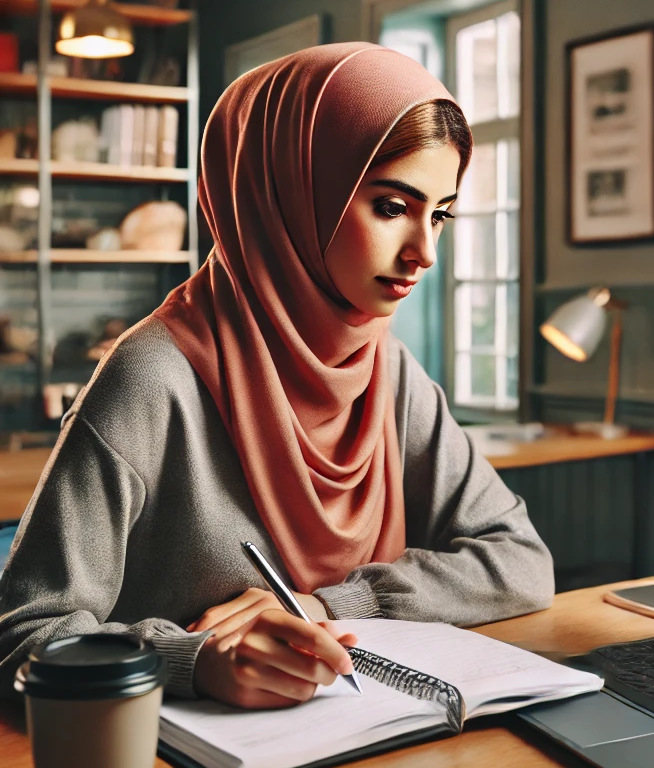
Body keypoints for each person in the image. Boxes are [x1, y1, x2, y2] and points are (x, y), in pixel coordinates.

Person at [0, 42, 554, 710]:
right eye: (390, 207)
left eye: (439, 213)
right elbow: (23, 638)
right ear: (290, 194)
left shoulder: (388, 370)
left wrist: (330, 606)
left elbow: (522, 562)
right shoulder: (152, 375)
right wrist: (193, 661)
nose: (425, 252)